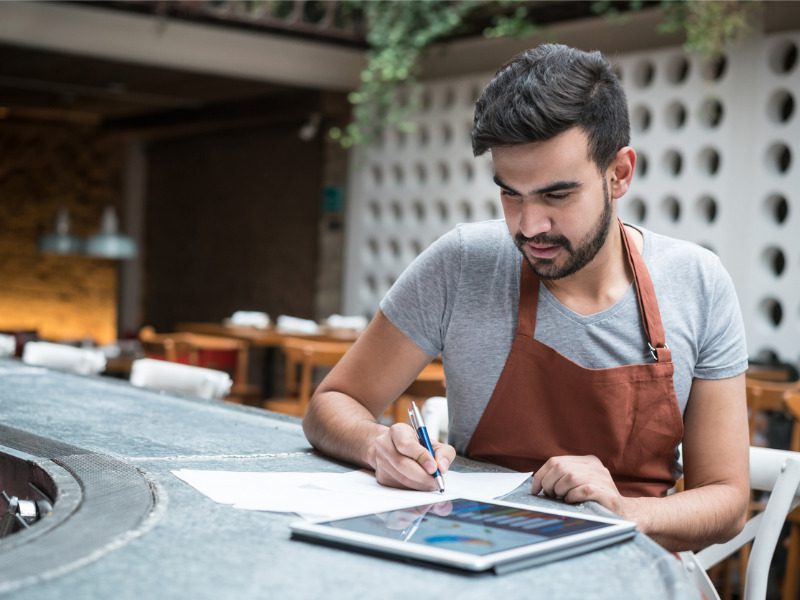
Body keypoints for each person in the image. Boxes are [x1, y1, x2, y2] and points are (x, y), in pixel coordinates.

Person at [303, 44, 749, 551]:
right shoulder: (462, 262)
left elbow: (728, 500)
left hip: (630, 567)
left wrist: (625, 511)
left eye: (557, 195)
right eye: (511, 193)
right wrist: (377, 445)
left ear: (619, 173)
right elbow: (333, 404)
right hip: (473, 554)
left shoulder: (698, 282)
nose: (530, 226)